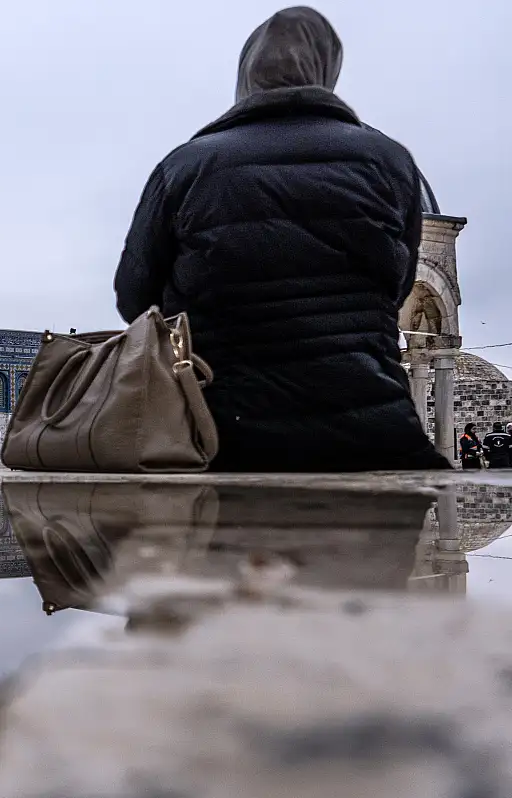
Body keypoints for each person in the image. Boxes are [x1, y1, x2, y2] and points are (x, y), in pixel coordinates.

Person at [112, 7, 448, 473]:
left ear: (247, 73)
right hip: (374, 438)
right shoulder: (390, 162)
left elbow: (135, 299)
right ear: (326, 70)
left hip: (219, 435)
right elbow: (397, 286)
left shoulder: (184, 167)